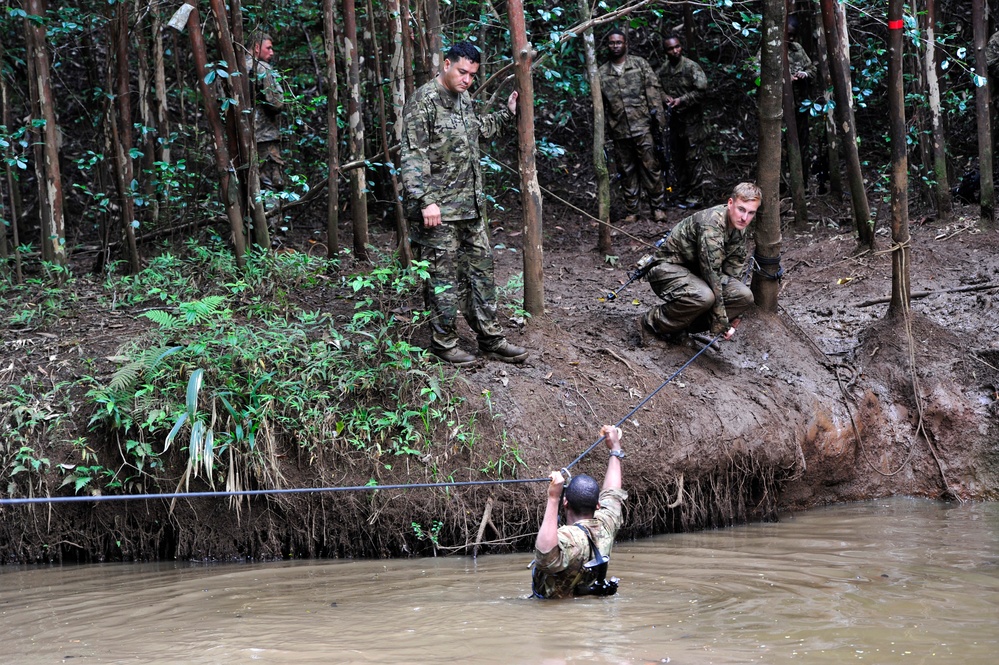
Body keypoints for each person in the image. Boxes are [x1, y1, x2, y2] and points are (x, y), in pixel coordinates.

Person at [400, 42, 528, 366]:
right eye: (462, 71)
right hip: (438, 212)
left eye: (472, 74)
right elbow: (412, 157)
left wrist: (507, 114)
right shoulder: (424, 102)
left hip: (469, 206)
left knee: (481, 271)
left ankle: (490, 339)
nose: (467, 79)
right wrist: (427, 201)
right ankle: (444, 344)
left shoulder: (464, 98)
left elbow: (476, 131)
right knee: (443, 279)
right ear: (446, 64)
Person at [638, 182, 761, 343]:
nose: (745, 218)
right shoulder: (712, 225)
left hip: (698, 273)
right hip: (667, 269)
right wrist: (722, 322)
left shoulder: (739, 227)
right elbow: (712, 275)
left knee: (743, 296)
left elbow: (733, 272)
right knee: (704, 296)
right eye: (741, 209)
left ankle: (679, 329)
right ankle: (650, 323)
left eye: (751, 213)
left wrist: (736, 315)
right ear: (730, 203)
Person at [532, 424, 628, 599]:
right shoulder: (606, 525)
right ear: (597, 505)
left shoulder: (566, 538)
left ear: (565, 503)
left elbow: (545, 556)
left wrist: (553, 498)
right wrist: (615, 449)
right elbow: (613, 494)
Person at [598, 29, 669, 223]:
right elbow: (600, 106)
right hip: (619, 130)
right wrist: (602, 134)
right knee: (626, 171)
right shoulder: (602, 73)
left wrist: (659, 124)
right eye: (612, 43)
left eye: (618, 42)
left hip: (643, 127)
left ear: (626, 44)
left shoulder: (639, 65)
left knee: (651, 168)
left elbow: (653, 94)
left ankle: (658, 207)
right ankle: (632, 210)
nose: (615, 46)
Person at [658, 34, 708, 208]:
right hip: (674, 122)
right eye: (670, 48)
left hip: (692, 121)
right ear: (665, 51)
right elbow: (657, 89)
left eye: (677, 47)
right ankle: (683, 193)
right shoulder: (664, 70)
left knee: (693, 158)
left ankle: (696, 196)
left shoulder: (691, 67)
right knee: (678, 158)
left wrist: (682, 100)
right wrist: (666, 98)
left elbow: (702, 90)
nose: (675, 51)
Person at [245, 33, 286, 194]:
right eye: (268, 48)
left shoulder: (232, 67)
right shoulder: (262, 68)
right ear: (256, 48)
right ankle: (272, 218)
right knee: (270, 184)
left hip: (241, 137)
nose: (272, 52)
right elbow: (276, 103)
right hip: (265, 138)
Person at [786, 16, 816, 185]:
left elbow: (812, 68)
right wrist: (783, 80)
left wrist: (805, 74)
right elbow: (755, 74)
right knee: (782, 147)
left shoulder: (798, 49)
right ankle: (782, 184)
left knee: (802, 143)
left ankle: (802, 182)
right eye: (788, 34)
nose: (790, 39)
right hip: (781, 109)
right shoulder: (769, 50)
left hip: (800, 105)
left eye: (793, 35)